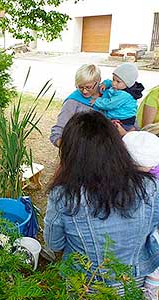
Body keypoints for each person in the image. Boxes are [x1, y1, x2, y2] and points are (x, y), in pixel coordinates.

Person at [44, 110, 159, 296]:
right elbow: (152, 229)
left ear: (71, 154)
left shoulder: (63, 194)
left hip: (85, 285)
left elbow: (54, 243)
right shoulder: (150, 186)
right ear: (116, 146)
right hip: (133, 283)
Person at [50, 64, 101, 147]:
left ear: (98, 81)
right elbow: (59, 130)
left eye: (88, 87)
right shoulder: (72, 102)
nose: (84, 91)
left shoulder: (109, 94)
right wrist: (65, 146)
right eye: (80, 87)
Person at [90, 62, 144, 130]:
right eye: (113, 79)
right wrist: (105, 84)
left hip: (123, 121)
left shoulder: (124, 95)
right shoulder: (120, 86)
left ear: (127, 83)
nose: (114, 83)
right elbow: (110, 82)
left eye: (118, 81)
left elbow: (109, 104)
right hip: (118, 117)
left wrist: (97, 100)